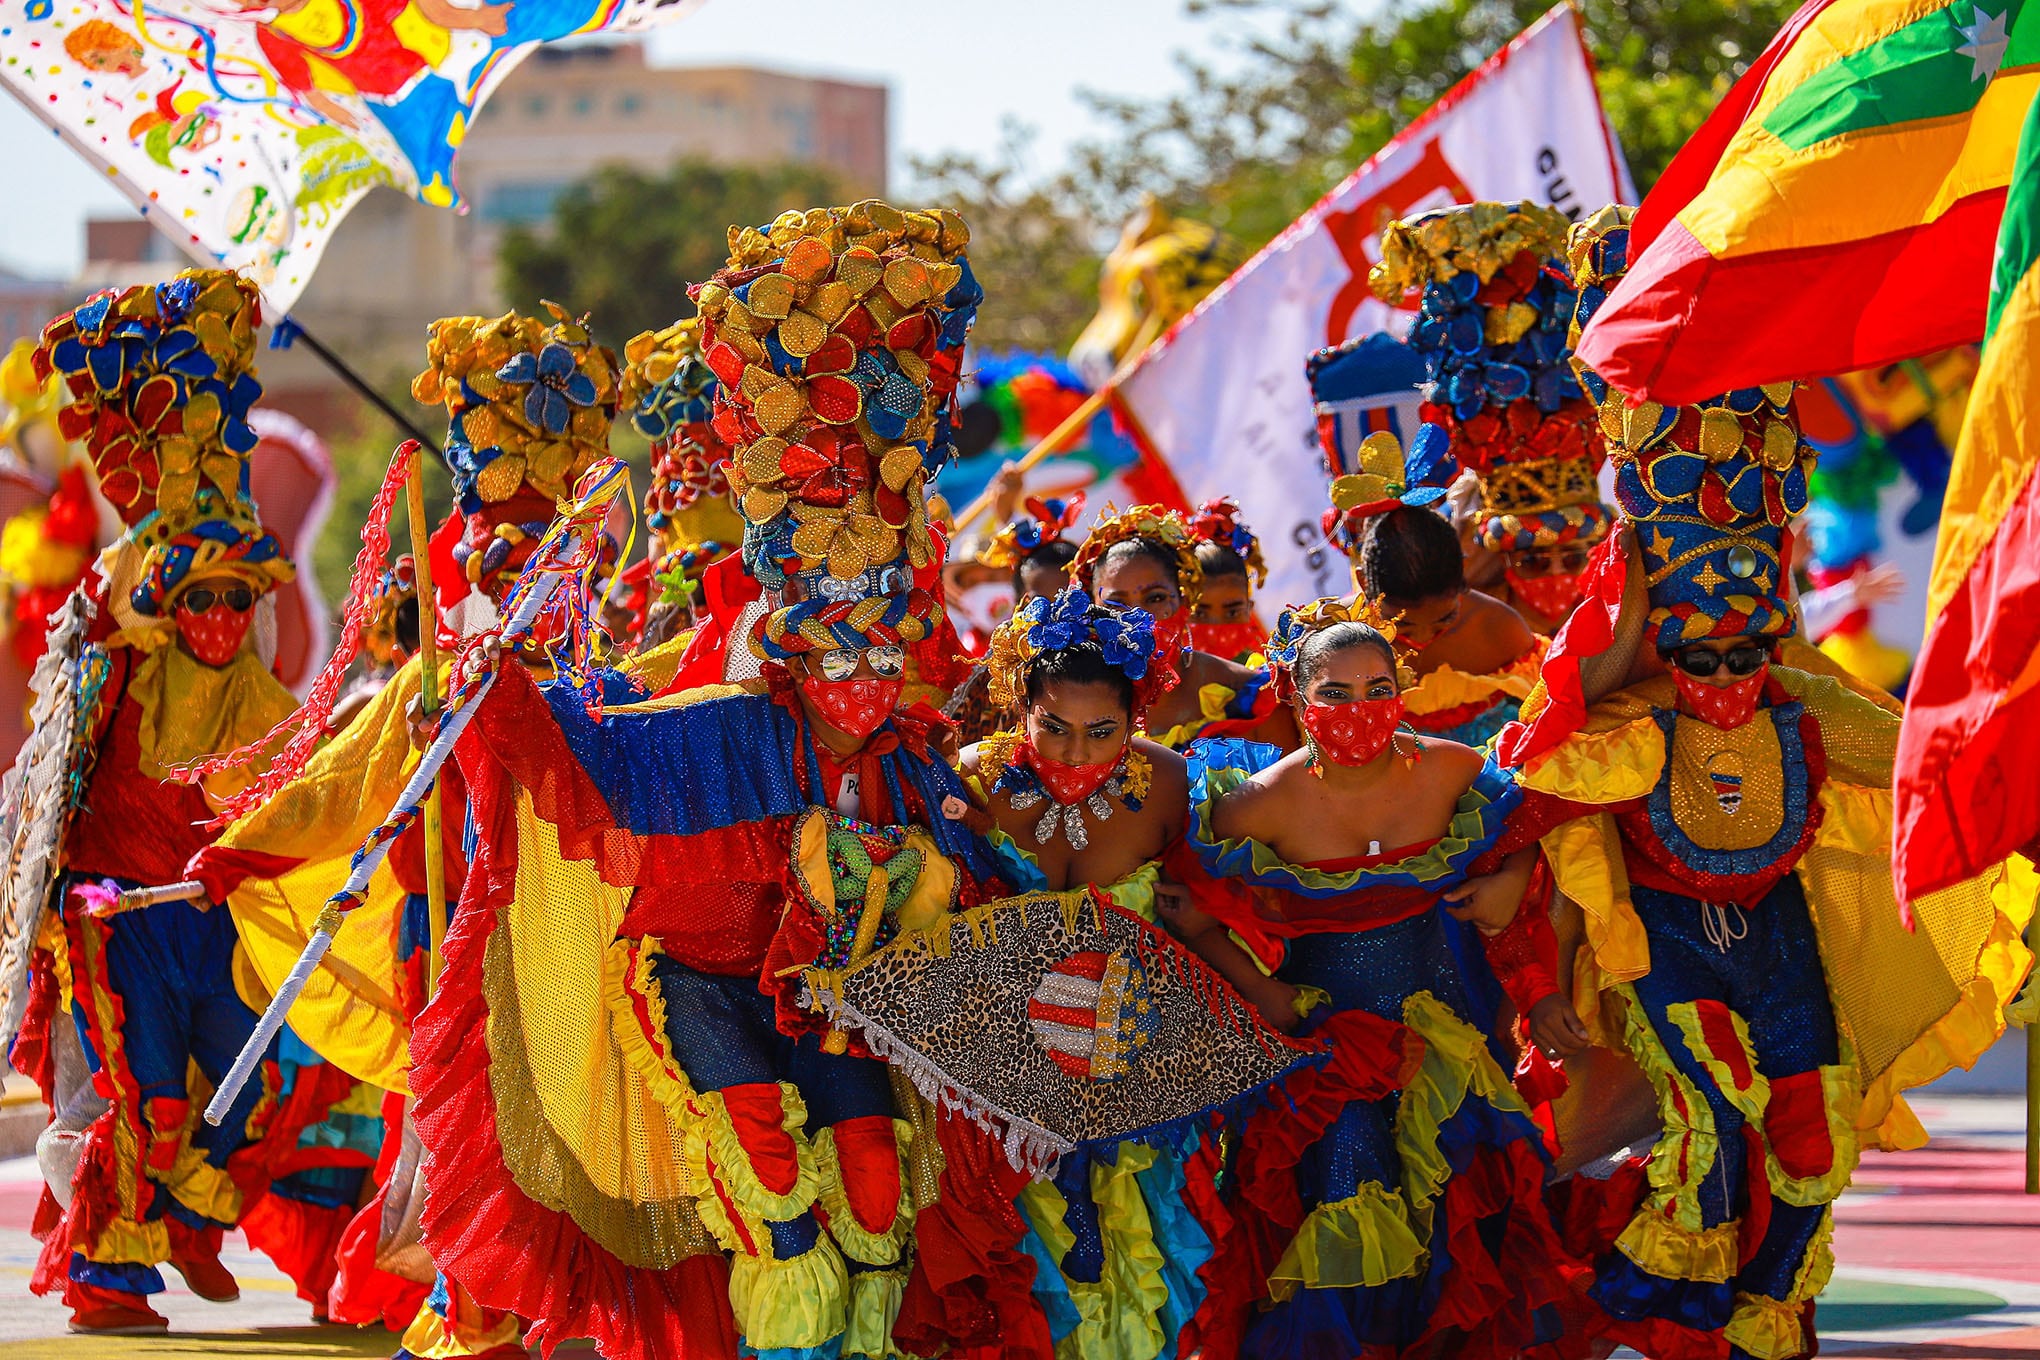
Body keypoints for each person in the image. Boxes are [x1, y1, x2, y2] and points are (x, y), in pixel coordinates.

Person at [402, 199, 1002, 1360]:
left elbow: (993, 864)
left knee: (875, 1189)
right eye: (828, 645)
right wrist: (506, 687)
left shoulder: (913, 766)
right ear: (780, 642)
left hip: (842, 991)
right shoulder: (722, 730)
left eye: (881, 646)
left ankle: (860, 1341)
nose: (856, 677)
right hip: (706, 979)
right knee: (770, 1192)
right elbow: (593, 759)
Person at [1492, 205, 2034, 1360]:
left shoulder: (1800, 702)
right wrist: (1617, 613)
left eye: (1746, 648)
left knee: (1812, 1128)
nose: (1728, 670)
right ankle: (1671, 1315)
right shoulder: (1631, 716)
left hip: (1776, 923)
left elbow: (1919, 753)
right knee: (1711, 1118)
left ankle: (1768, 1311)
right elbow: (1535, 757)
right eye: (1705, 653)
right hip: (1666, 931)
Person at [1160, 596, 1575, 1359]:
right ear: (1296, 696)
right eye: (1336, 694)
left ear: (1402, 689)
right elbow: (1188, 912)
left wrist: (1511, 880)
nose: (1361, 710)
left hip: (1444, 1037)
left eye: (1378, 690)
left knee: (1456, 1216)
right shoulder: (1256, 805)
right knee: (1349, 1191)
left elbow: (1530, 822)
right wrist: (1263, 992)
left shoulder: (1450, 768)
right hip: (1323, 1050)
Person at [20, 271, 304, 1335]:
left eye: (240, 596)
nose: (224, 616)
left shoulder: (259, 689)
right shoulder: (110, 652)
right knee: (134, 1104)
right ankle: (109, 1277)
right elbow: (53, 768)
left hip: (213, 912)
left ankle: (195, 1211)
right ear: (161, 605)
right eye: (203, 598)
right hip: (113, 915)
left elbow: (294, 780)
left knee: (255, 1079)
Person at [945, 584, 1221, 1360]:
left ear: (1137, 719)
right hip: (1000, 1072)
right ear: (1018, 707)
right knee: (1032, 1270)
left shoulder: (1172, 786)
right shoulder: (970, 779)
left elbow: (1211, 906)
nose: (1074, 755)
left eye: (1102, 733)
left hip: (1136, 1064)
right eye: (1052, 727)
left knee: (1138, 1251)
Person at [1367, 200, 1612, 639]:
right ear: (1501, 557)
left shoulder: (1631, 621)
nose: (1556, 577)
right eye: (1532, 560)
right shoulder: (1455, 638)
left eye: (1574, 557)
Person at [1332, 442, 1543, 748]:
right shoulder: (1331, 637)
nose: (1423, 636)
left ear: (1463, 577)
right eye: (1400, 624)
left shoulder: (1500, 630)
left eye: (1446, 619)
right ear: (1364, 584)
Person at [1072, 504, 1292, 751]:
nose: (1136, 617)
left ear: (1185, 601)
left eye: (1155, 598)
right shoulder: (1068, 703)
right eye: (1116, 604)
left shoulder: (1252, 696)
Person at [1184, 496, 1268, 662]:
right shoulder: (1150, 683)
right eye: (1199, 613)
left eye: (1232, 613)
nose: (1216, 630)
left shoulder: (1272, 683)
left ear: (1249, 608)